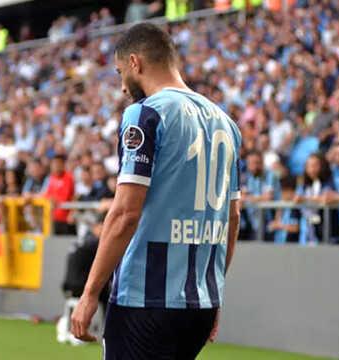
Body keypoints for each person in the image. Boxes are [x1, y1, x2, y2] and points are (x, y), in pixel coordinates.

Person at [70, 23, 241, 359]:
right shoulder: (225, 122)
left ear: (136, 63)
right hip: (200, 302)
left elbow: (125, 213)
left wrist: (90, 292)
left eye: (120, 73)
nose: (121, 87)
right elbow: (232, 217)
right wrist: (214, 292)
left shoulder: (145, 114)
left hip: (146, 300)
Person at [294, 153, 339, 244]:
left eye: (315, 165)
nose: (312, 169)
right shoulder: (305, 185)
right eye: (309, 166)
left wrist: (306, 199)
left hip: (329, 230)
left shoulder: (330, 181)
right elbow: (297, 198)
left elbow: (326, 198)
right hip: (310, 231)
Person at [241, 151, 280, 241]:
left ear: (262, 162)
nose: (254, 166)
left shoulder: (270, 175)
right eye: (251, 163)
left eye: (257, 163)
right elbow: (241, 196)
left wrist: (248, 198)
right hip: (250, 223)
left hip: (267, 222)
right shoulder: (245, 177)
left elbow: (268, 197)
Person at [44, 154, 76, 235]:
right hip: (53, 218)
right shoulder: (51, 178)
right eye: (54, 164)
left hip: (65, 218)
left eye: (58, 164)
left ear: (63, 165)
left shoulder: (68, 177)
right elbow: (47, 195)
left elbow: (65, 197)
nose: (56, 166)